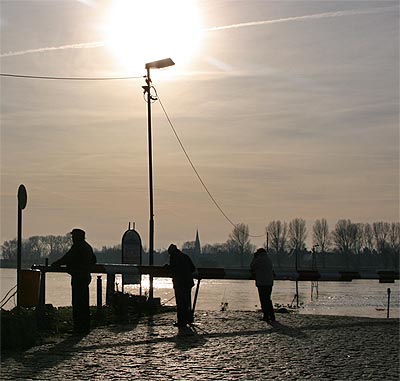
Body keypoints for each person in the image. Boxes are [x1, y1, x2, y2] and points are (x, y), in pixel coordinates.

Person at [51, 228, 97, 334]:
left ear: (77, 237)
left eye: (73, 236)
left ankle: (79, 328)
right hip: (85, 276)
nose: (72, 238)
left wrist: (56, 264)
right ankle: (85, 327)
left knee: (77, 303)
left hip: (79, 277)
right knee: (84, 303)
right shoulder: (87, 247)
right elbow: (94, 260)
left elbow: (67, 258)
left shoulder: (78, 246)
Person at [167, 244, 196, 328]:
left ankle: (181, 321)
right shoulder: (185, 256)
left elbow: (173, 269)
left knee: (180, 303)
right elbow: (193, 268)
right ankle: (188, 319)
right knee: (186, 302)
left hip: (179, 283)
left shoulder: (173, 257)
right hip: (188, 282)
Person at [250, 247, 276, 323]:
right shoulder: (268, 259)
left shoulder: (259, 259)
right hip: (269, 282)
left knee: (263, 299)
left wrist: (254, 258)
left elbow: (252, 266)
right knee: (268, 299)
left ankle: (266, 316)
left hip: (262, 282)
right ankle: (271, 315)